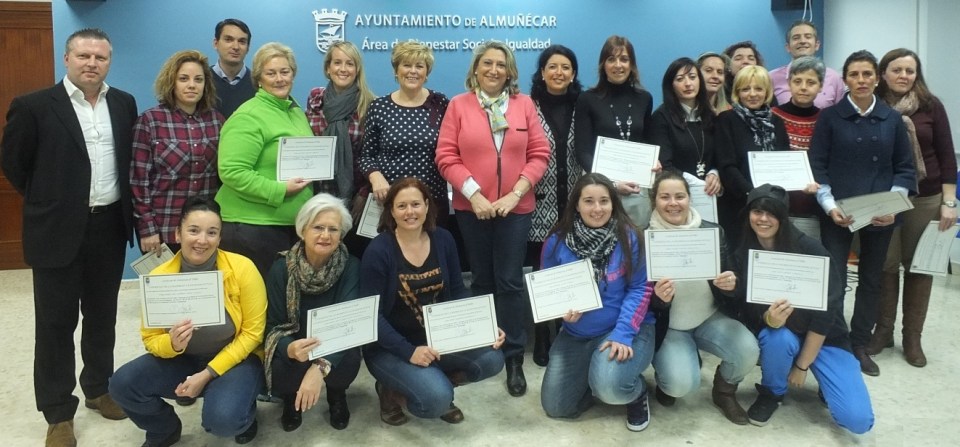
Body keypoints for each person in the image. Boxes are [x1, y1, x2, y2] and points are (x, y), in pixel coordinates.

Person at [1, 28, 138, 446]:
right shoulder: (34, 106)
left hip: (109, 226)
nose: (91, 63)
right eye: (83, 55)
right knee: (56, 323)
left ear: (109, 61)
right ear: (67, 58)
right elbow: (14, 164)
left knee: (102, 316)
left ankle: (99, 388)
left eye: (100, 57)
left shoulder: (123, 103)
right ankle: (58, 412)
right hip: (56, 230)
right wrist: (52, 200)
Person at [435, 40, 549, 397]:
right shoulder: (459, 106)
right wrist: (476, 196)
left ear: (510, 71)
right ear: (476, 68)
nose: (494, 70)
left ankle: (514, 356)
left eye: (501, 64)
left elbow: (540, 153)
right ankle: (486, 347)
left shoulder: (524, 105)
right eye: (487, 63)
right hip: (474, 209)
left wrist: (515, 193)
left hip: (516, 208)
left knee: (510, 281)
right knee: (482, 280)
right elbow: (446, 156)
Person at [109, 197, 265, 446]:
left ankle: (245, 408)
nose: (202, 240)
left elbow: (253, 334)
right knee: (121, 384)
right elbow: (150, 340)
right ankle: (164, 428)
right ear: (178, 234)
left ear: (219, 238)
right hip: (183, 359)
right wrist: (173, 344)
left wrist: (206, 374)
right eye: (194, 230)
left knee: (224, 421)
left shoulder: (243, 268)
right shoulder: (159, 277)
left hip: (236, 361)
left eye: (212, 233)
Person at [361, 178, 506, 425]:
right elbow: (371, 316)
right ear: (391, 211)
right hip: (390, 348)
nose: (410, 212)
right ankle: (391, 390)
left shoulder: (444, 239)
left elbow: (458, 291)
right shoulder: (379, 250)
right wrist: (409, 352)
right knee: (436, 400)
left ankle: (428, 382)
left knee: (493, 359)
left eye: (416, 204)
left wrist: (484, 327)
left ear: (427, 206)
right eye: (402, 206)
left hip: (438, 339)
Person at [808, 50, 916, 377]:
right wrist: (830, 206)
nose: (861, 81)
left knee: (872, 280)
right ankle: (835, 340)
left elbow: (905, 169)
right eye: (854, 75)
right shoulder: (830, 117)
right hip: (839, 213)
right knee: (836, 282)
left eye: (867, 74)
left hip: (881, 215)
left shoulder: (891, 119)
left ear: (877, 78)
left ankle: (860, 343)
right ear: (845, 79)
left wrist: (892, 209)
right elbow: (818, 167)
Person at [734, 184, 874, 434]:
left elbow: (826, 315)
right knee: (775, 337)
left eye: (772, 213)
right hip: (784, 335)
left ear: (784, 216)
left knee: (858, 420)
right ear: (749, 214)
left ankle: (824, 380)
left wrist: (801, 366)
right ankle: (772, 392)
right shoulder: (744, 250)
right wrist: (768, 318)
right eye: (757, 211)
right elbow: (747, 307)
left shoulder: (812, 251)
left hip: (826, 339)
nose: (763, 219)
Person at [539, 173, 655, 431]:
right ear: (576, 205)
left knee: (611, 388)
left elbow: (641, 289)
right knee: (557, 407)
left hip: (624, 329)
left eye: (604, 201)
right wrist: (560, 312)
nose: (597, 208)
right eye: (588, 201)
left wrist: (624, 334)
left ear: (614, 203)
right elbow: (548, 291)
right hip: (576, 333)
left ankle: (635, 392)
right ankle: (597, 374)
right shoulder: (556, 241)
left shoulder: (630, 237)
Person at [868, 48, 958, 367]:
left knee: (919, 267)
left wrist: (949, 202)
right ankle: (883, 331)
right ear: (883, 73)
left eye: (910, 70)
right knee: (886, 265)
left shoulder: (931, 107)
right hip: (884, 198)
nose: (904, 76)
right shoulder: (873, 107)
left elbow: (947, 156)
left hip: (926, 196)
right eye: (897, 70)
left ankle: (912, 338)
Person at [647, 171, 758, 425]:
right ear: (654, 201)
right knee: (680, 385)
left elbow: (735, 286)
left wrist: (731, 284)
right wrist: (659, 299)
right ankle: (666, 377)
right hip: (670, 326)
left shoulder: (712, 232)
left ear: (689, 199)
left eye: (680, 196)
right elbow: (640, 301)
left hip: (708, 317)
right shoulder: (645, 238)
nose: (673, 203)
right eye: (665, 197)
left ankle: (724, 391)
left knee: (748, 350)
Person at [263, 193, 362, 432]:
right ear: (303, 229)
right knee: (282, 365)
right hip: (298, 344)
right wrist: (288, 347)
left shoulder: (351, 266)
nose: (325, 235)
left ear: (341, 234)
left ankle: (337, 394)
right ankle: (291, 398)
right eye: (318, 227)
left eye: (333, 229)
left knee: (349, 360)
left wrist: (320, 367)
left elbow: (349, 323)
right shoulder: (281, 269)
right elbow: (273, 325)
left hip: (336, 343)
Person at [215, 42, 314, 279]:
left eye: (285, 72)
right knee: (258, 306)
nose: (279, 78)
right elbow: (231, 171)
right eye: (271, 73)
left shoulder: (295, 111)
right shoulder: (249, 115)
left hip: (286, 226)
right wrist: (279, 190)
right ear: (259, 78)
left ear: (293, 74)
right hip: (251, 229)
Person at [131, 50, 225, 257]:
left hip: (204, 231)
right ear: (171, 81)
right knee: (166, 288)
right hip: (163, 227)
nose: (192, 85)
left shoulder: (217, 121)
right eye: (184, 78)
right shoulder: (150, 121)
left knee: (205, 287)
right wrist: (147, 228)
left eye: (198, 79)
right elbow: (139, 182)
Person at [527, 44, 583, 367]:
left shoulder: (583, 105)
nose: (559, 72)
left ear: (573, 73)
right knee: (541, 270)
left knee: (570, 268)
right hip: (539, 203)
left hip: (574, 205)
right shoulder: (527, 106)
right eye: (552, 66)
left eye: (566, 67)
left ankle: (565, 330)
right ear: (543, 71)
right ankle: (542, 336)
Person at [360, 41, 449, 222]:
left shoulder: (440, 104)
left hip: (432, 201)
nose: (413, 71)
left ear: (427, 72)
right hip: (392, 200)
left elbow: (451, 149)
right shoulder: (379, 107)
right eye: (406, 65)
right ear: (396, 70)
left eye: (419, 66)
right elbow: (366, 156)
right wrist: (376, 178)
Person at [574, 35, 655, 228]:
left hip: (637, 190)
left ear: (632, 64)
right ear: (603, 65)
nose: (618, 65)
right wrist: (610, 183)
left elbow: (647, 143)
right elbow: (582, 151)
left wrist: (654, 162)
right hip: (600, 193)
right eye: (611, 59)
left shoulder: (645, 99)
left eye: (624, 59)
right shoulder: (587, 99)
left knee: (636, 248)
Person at [714, 65, 790, 243]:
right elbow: (727, 165)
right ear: (737, 92)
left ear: (767, 92)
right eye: (746, 89)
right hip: (737, 205)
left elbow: (784, 162)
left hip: (772, 207)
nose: (752, 94)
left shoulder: (776, 122)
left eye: (758, 88)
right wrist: (754, 195)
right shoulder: (726, 120)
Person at [307, 40, 376, 202]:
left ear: (357, 69)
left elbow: (373, 156)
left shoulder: (369, 104)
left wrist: (363, 195)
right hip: (317, 192)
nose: (343, 69)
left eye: (350, 64)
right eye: (337, 63)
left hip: (355, 195)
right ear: (328, 68)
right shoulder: (315, 98)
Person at [649, 57, 721, 196]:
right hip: (676, 193)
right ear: (671, 86)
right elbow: (665, 165)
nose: (688, 83)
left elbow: (720, 156)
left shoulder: (710, 115)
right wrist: (697, 183)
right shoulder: (661, 117)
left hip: (710, 193)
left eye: (692, 77)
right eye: (680, 79)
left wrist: (714, 173)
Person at [772, 56, 826, 217]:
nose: (803, 87)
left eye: (811, 82)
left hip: (815, 203)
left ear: (821, 86)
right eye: (797, 81)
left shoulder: (826, 119)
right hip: (778, 203)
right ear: (788, 83)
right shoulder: (772, 117)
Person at [769, 20, 846, 108]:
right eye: (796, 38)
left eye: (808, 37)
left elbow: (840, 114)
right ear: (788, 47)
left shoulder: (834, 78)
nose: (802, 41)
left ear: (817, 45)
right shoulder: (771, 78)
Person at [210, 18, 254, 118]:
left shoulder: (258, 84)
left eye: (242, 41)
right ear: (216, 43)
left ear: (248, 48)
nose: (236, 47)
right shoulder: (201, 81)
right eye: (228, 40)